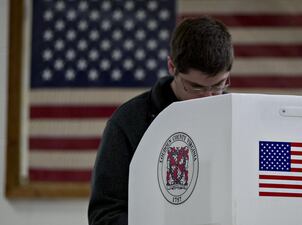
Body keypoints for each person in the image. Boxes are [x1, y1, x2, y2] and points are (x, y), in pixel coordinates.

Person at [88, 16, 234, 225]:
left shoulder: (237, 117)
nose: (209, 97)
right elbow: (104, 216)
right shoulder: (128, 122)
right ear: (171, 67)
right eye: (196, 87)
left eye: (219, 85)